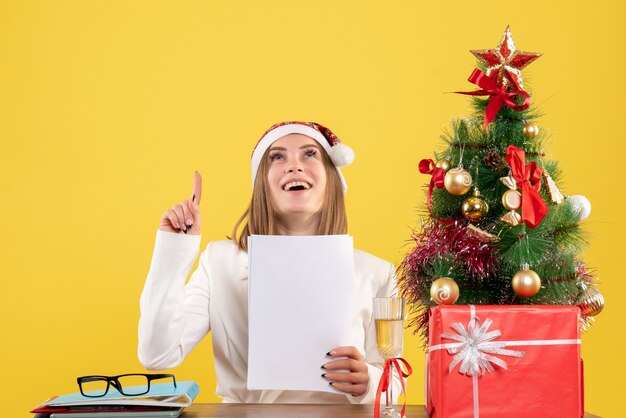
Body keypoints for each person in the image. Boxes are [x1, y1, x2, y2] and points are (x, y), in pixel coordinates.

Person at [138, 121, 400, 403]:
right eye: (277, 156)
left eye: (309, 154)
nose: (294, 166)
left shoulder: (377, 273)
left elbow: (393, 380)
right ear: (261, 183)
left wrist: (368, 382)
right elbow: (158, 355)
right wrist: (175, 249)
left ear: (331, 177)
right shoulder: (219, 262)